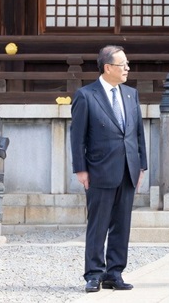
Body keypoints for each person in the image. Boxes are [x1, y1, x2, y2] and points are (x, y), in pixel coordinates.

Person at [70, 46, 147, 293]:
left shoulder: (130, 94)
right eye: (122, 64)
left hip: (128, 169)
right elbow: (77, 137)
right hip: (99, 169)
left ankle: (115, 273)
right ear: (107, 67)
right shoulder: (86, 95)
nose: (127, 68)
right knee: (98, 224)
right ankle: (93, 274)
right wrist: (80, 169)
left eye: (127, 63)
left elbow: (138, 133)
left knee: (122, 225)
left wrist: (141, 164)